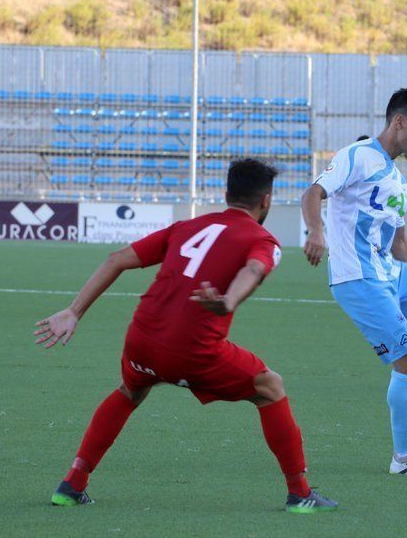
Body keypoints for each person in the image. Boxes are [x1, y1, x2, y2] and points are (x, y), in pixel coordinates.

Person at [34, 159, 337, 513]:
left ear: (226, 195)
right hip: (193, 352)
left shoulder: (187, 226)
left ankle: (72, 483)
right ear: (266, 201)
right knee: (271, 387)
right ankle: (300, 493)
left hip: (141, 341)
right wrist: (227, 302)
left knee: (130, 391)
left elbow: (117, 258)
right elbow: (254, 269)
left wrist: (74, 311)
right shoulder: (263, 239)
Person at [301, 88, 407, 477]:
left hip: (390, 271)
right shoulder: (357, 156)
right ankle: (404, 459)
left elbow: (399, 240)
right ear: (399, 121)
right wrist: (316, 232)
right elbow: (313, 192)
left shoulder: (397, 179)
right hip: (358, 277)